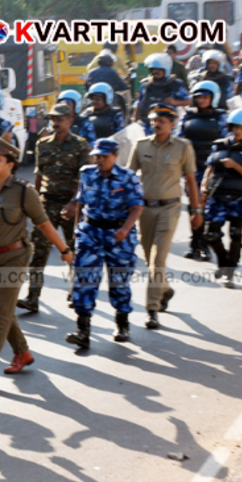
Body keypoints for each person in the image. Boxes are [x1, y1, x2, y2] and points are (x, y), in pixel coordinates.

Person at [0, 139, 74, 389]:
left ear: (10, 165)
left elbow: (43, 224)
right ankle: (22, 352)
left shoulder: (24, 192)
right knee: (4, 311)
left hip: (14, 258)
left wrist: (64, 250)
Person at [129, 104, 202, 330]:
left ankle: (152, 309)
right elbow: (128, 177)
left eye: (162, 120)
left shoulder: (183, 147)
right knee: (151, 259)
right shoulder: (140, 146)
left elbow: (190, 180)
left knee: (157, 258)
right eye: (154, 120)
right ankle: (165, 289)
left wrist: (196, 210)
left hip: (169, 208)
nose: (157, 123)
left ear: (172, 123)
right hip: (145, 209)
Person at [66, 139, 144, 349]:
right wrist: (77, 230)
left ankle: (122, 323)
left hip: (118, 235)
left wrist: (125, 229)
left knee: (119, 280)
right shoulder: (88, 173)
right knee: (84, 280)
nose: (99, 160)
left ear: (115, 155)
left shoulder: (128, 177)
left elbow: (136, 207)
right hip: (90, 232)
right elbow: (80, 201)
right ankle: (82, 331)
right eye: (97, 156)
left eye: (104, 156)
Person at [18, 103, 91, 313]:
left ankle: (76, 291)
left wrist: (74, 203)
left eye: (60, 119)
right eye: (52, 119)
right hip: (47, 202)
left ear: (70, 120)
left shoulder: (80, 145)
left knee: (72, 249)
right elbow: (39, 174)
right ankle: (33, 296)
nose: (55, 123)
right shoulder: (43, 145)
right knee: (39, 251)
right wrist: (34, 202)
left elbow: (84, 178)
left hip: (70, 203)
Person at [203, 108, 242, 288]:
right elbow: (210, 167)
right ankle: (223, 263)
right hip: (218, 196)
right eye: (235, 127)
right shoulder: (219, 145)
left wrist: (234, 166)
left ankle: (229, 273)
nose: (238, 131)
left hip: (240, 198)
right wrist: (204, 188)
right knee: (211, 234)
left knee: (236, 235)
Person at [178, 81, 227, 261]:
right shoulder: (188, 116)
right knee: (193, 206)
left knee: (207, 207)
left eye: (205, 97)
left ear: (213, 98)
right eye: (198, 97)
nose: (201, 100)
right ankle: (195, 244)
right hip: (191, 167)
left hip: (213, 168)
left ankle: (205, 244)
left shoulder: (221, 117)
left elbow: (227, 139)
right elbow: (179, 138)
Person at [135, 53, 191, 134]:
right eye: (153, 69)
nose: (155, 71)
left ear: (166, 69)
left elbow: (189, 101)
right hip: (146, 125)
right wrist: (135, 122)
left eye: (159, 69)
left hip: (168, 128)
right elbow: (138, 104)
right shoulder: (145, 85)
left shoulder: (175, 85)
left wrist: (175, 102)